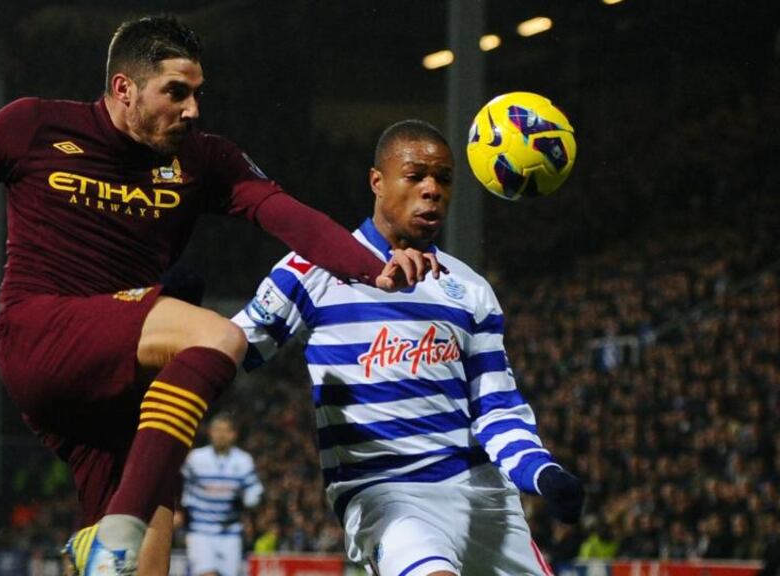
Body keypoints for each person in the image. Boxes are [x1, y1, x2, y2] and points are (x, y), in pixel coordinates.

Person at [0, 16, 440, 576]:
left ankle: (103, 536)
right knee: (220, 335)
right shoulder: (32, 125)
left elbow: (283, 212)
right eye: (176, 93)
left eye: (198, 94)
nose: (192, 110)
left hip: (124, 370)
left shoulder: (204, 159)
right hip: (41, 333)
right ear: (125, 88)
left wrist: (369, 265)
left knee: (146, 557)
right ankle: (116, 527)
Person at [232, 120, 585, 576]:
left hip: (484, 495)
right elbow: (235, 350)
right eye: (416, 176)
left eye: (443, 178)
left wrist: (541, 471)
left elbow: (495, 406)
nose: (432, 190)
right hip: (385, 492)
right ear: (377, 181)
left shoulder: (470, 289)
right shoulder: (313, 269)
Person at [180, 413, 262, 576]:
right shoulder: (196, 459)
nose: (221, 435)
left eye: (225, 431)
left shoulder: (243, 461)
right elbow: (178, 485)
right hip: (200, 530)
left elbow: (254, 491)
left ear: (233, 434)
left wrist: (250, 500)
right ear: (210, 432)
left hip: (230, 533)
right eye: (217, 430)